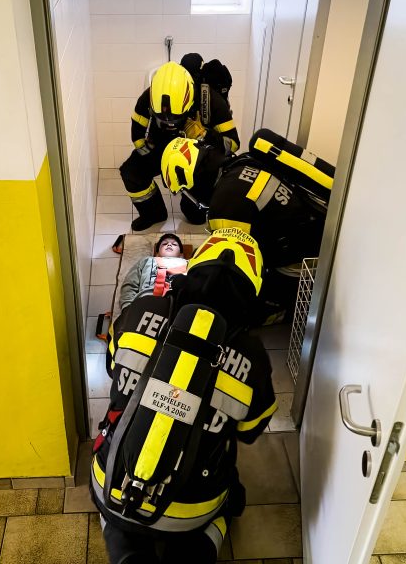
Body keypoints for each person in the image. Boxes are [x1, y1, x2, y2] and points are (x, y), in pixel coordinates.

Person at [91, 229, 277, 564]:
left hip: (113, 480)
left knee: (110, 503)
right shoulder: (253, 357)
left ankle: (124, 547)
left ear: (193, 268)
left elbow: (111, 368)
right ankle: (197, 549)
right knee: (228, 495)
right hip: (192, 506)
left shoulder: (140, 310)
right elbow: (250, 431)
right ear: (253, 289)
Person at [160, 128, 335, 325]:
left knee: (243, 306)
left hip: (302, 261)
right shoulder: (243, 162)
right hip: (316, 227)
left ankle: (283, 310)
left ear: (188, 180)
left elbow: (232, 268)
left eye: (184, 192)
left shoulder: (223, 208)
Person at [121, 61, 240, 231]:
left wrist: (204, 136)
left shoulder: (211, 100)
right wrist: (152, 157)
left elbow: (233, 143)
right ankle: (153, 214)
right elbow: (138, 131)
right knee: (131, 172)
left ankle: (195, 204)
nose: (171, 123)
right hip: (163, 146)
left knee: (195, 216)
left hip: (197, 157)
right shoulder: (150, 95)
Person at [118, 233, 187, 311]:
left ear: (181, 254)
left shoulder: (189, 263)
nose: (169, 245)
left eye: (174, 244)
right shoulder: (147, 261)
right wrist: (127, 308)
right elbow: (130, 285)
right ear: (157, 253)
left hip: (181, 304)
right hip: (146, 303)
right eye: (164, 244)